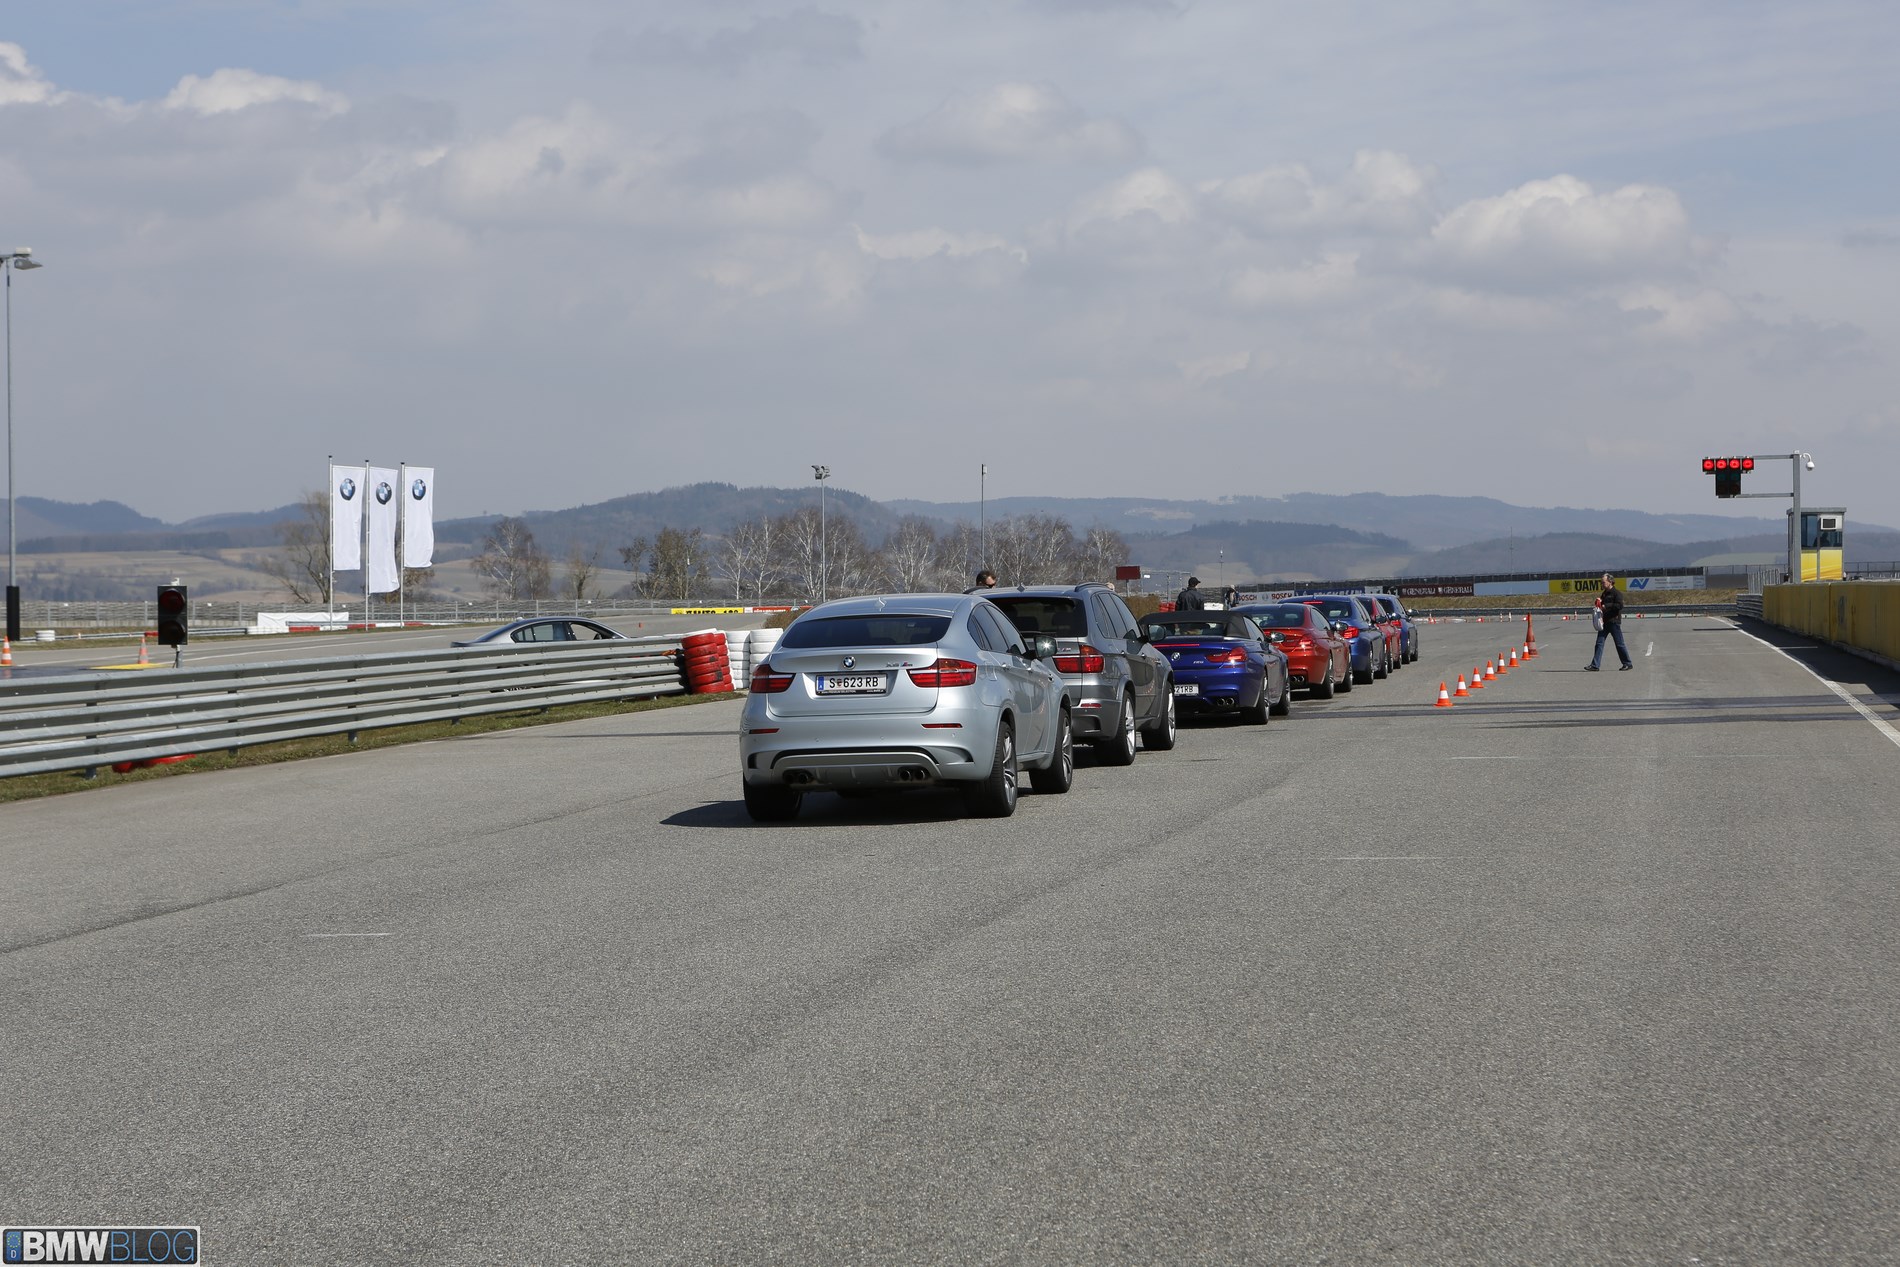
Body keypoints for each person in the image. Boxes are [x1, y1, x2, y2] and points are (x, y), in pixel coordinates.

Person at [1587, 572, 1634, 671]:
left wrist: (1607, 606)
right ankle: (1595, 665)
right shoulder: (1604, 593)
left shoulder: (1617, 593)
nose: (1602, 584)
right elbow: (1601, 605)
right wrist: (1598, 602)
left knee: (1619, 644)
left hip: (1614, 622)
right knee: (1599, 643)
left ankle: (1627, 663)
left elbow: (1619, 606)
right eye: (1601, 582)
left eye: (1603, 582)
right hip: (1604, 622)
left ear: (1610, 582)